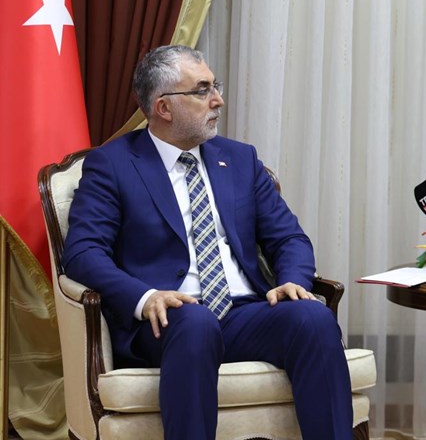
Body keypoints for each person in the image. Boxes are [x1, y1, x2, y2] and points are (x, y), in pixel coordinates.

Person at [62, 45, 354, 439]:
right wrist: (146, 297)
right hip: (168, 320)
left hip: (245, 314)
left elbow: (288, 237)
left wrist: (292, 280)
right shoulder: (112, 164)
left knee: (313, 317)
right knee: (196, 321)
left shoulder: (240, 159)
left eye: (215, 86)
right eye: (202, 90)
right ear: (163, 107)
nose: (218, 100)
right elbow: (83, 253)